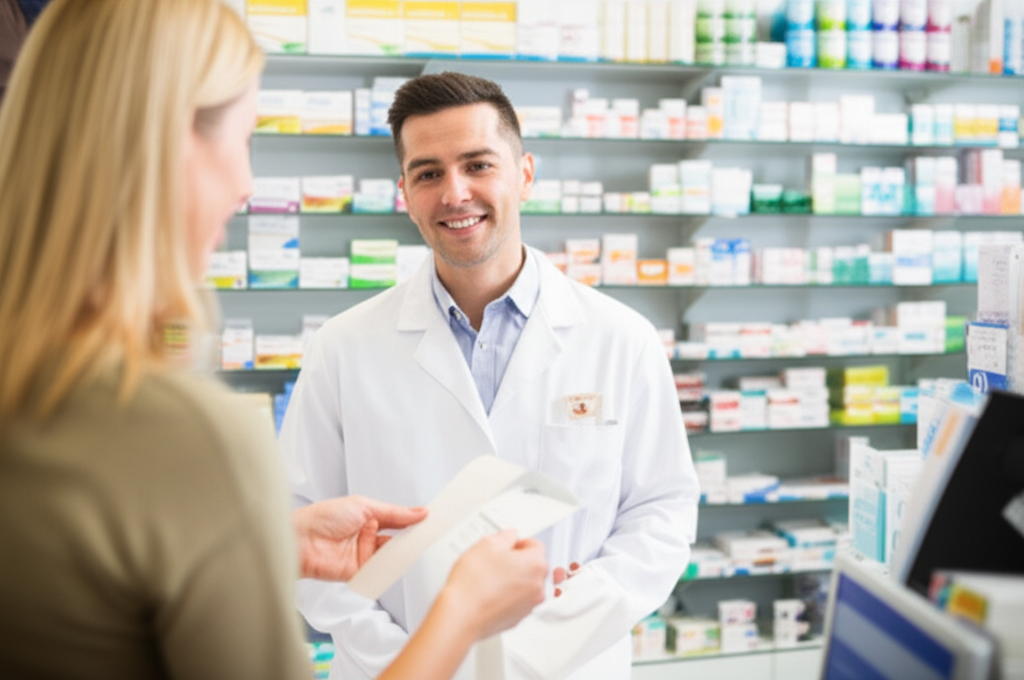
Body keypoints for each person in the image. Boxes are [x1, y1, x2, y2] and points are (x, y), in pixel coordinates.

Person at [0, 2, 546, 679]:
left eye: (478, 165)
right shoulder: (182, 434)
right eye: (243, 137)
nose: (246, 183)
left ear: (525, 173)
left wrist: (264, 543)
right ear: (166, 146)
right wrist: (463, 614)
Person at [280, 71, 701, 680]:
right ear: (404, 192)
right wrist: (415, 661)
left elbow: (661, 514)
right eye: (428, 173)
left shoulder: (621, 338)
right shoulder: (342, 347)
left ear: (524, 173)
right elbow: (310, 545)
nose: (455, 193)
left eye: (478, 165)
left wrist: (549, 640)